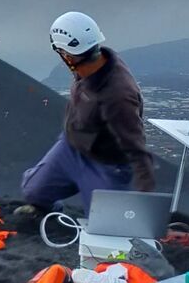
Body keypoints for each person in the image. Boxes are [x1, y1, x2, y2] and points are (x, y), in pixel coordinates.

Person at [15, 11, 155, 217]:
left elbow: (136, 148)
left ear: (67, 55)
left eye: (60, 52)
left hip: (107, 165)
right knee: (33, 192)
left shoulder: (118, 95)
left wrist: (146, 205)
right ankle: (49, 212)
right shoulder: (88, 64)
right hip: (71, 148)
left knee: (105, 224)